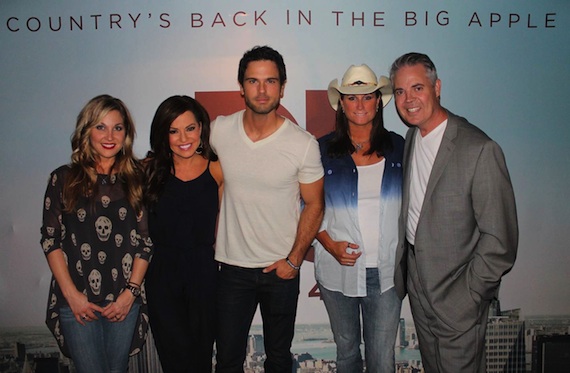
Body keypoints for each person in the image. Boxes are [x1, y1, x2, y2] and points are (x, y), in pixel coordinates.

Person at [390, 52, 518, 372]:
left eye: (417, 88)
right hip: (418, 287)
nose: (408, 100)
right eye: (400, 92)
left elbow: (500, 242)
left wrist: (470, 297)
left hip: (459, 296)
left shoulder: (479, 149)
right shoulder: (411, 137)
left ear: (437, 87)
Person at [210, 45, 324, 372]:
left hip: (281, 271)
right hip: (231, 270)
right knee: (228, 360)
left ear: (283, 87)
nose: (262, 90)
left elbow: (315, 204)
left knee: (278, 359)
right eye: (254, 81)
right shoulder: (218, 131)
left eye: (270, 81)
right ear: (241, 86)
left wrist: (294, 259)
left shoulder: (302, 144)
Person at [40, 94, 153, 373]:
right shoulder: (63, 179)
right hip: (77, 300)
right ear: (86, 130)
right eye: (100, 126)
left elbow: (146, 242)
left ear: (126, 133)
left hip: (123, 301)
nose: (110, 135)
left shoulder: (136, 179)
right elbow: (50, 240)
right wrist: (72, 295)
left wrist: (129, 294)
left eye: (118, 127)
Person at [314, 64, 404, 373]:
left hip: (387, 274)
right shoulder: (320, 150)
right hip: (337, 271)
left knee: (382, 361)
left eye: (367, 96)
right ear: (340, 103)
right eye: (352, 98)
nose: (360, 104)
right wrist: (329, 244)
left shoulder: (400, 148)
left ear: (379, 101)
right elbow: (306, 206)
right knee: (347, 355)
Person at [143, 95, 223, 373]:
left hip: (204, 273)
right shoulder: (148, 170)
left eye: (190, 128)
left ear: (201, 128)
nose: (183, 138)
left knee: (200, 359)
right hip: (162, 275)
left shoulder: (217, 168)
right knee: (174, 359)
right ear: (163, 135)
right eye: (173, 130)